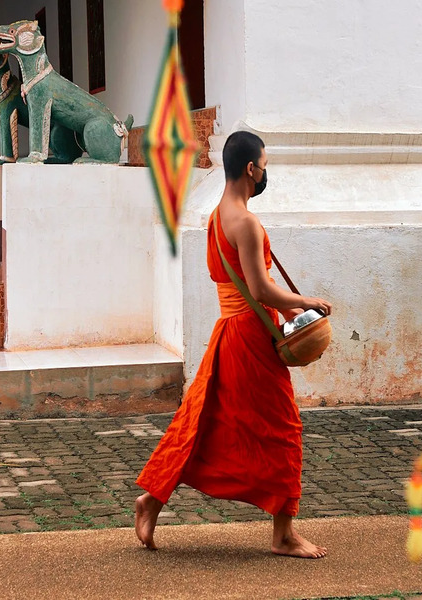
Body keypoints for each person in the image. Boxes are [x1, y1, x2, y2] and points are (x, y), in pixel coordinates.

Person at [134, 130, 333, 558]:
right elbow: (260, 290)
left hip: (229, 333)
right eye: (264, 165)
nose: (265, 172)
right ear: (250, 169)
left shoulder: (215, 216)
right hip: (248, 336)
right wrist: (306, 301)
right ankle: (283, 536)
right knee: (284, 430)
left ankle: (152, 499)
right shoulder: (245, 221)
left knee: (204, 423)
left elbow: (240, 285)